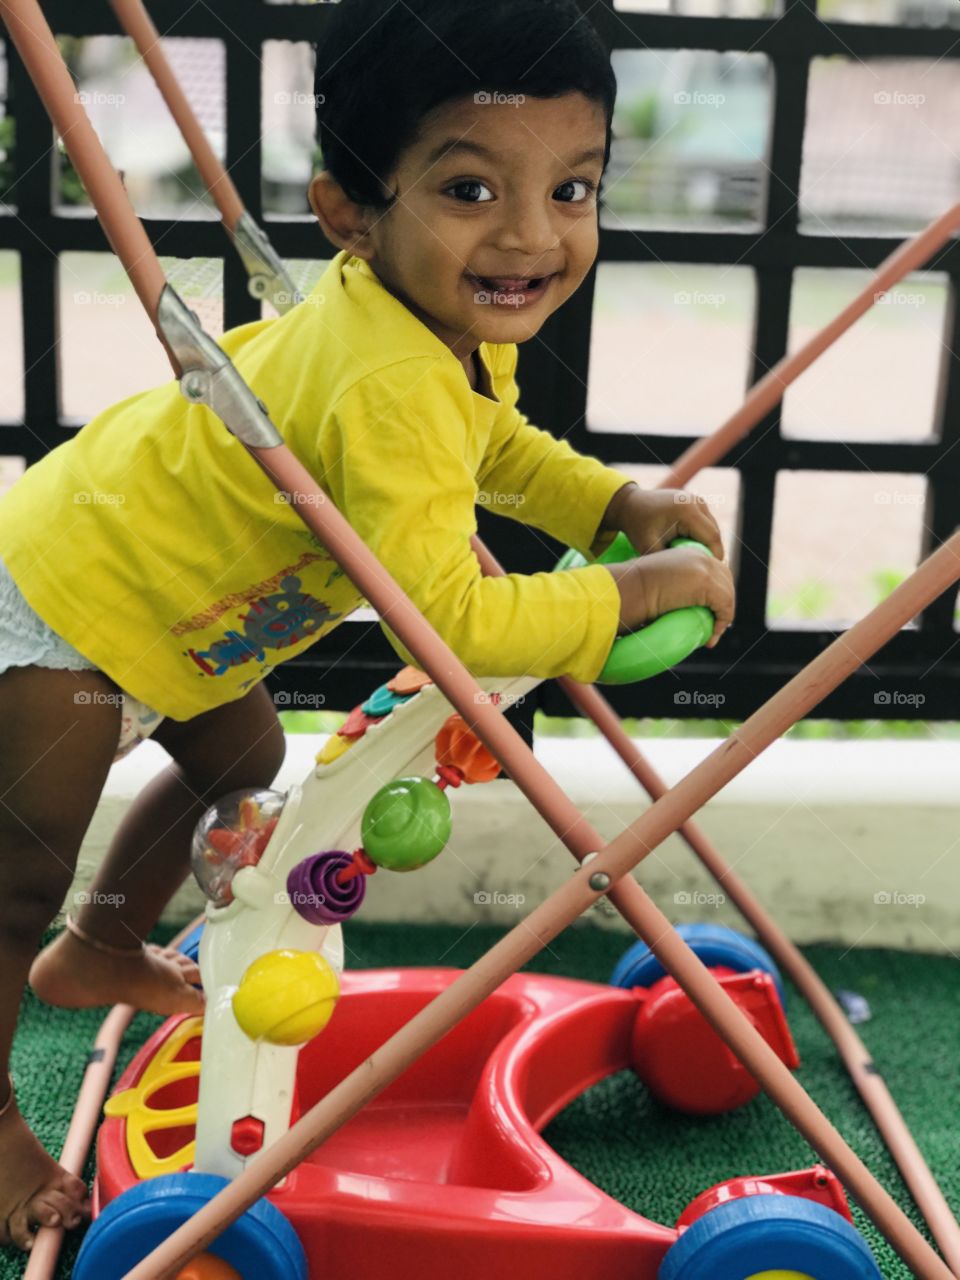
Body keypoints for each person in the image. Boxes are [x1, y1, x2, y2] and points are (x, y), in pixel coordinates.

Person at [0, 0, 735, 1251]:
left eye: (574, 187)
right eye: (468, 187)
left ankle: (101, 941)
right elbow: (450, 618)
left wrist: (610, 498)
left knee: (237, 757)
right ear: (349, 210)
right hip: (68, 607)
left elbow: (490, 444)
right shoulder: (389, 374)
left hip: (170, 612)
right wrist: (621, 593)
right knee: (11, 873)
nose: (529, 233)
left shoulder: (432, 324)